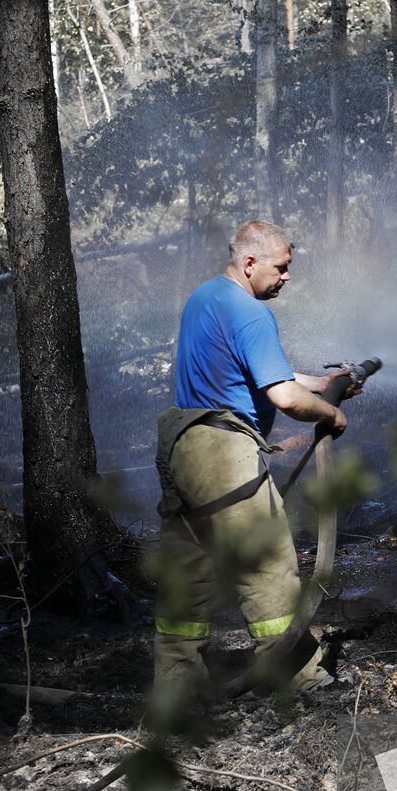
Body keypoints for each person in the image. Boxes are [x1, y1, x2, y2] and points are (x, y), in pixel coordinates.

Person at [152, 219, 352, 694]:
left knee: (190, 572)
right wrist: (331, 414)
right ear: (250, 263)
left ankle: (176, 685)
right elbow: (284, 399)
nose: (286, 277)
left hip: (181, 445)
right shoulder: (252, 312)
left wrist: (319, 383)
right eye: (281, 268)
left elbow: (252, 370)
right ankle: (298, 677)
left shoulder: (206, 297)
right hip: (223, 451)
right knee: (267, 564)